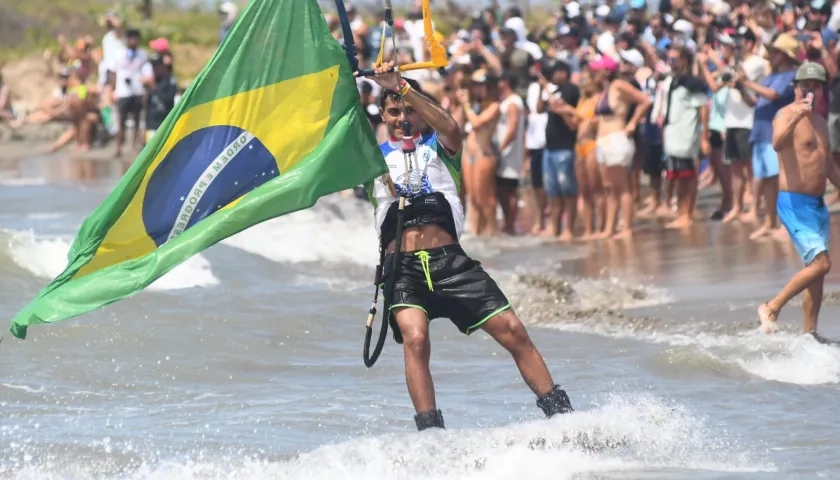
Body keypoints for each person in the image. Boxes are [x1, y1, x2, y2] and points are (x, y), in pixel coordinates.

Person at [366, 61, 574, 431]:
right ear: (383, 114)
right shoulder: (370, 159)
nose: (403, 117)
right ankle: (432, 438)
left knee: (513, 329)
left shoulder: (443, 146)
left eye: (410, 109)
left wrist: (401, 86)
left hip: (450, 263)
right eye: (395, 110)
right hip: (402, 269)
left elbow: (450, 125)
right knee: (415, 339)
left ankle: (564, 420)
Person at [758, 62, 840, 337]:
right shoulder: (784, 114)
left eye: (816, 85)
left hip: (817, 205)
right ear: (796, 87)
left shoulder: (821, 123)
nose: (811, 90)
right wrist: (797, 116)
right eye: (806, 85)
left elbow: (828, 166)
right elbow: (778, 144)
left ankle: (810, 334)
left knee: (816, 273)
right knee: (822, 264)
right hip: (794, 202)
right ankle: (771, 306)